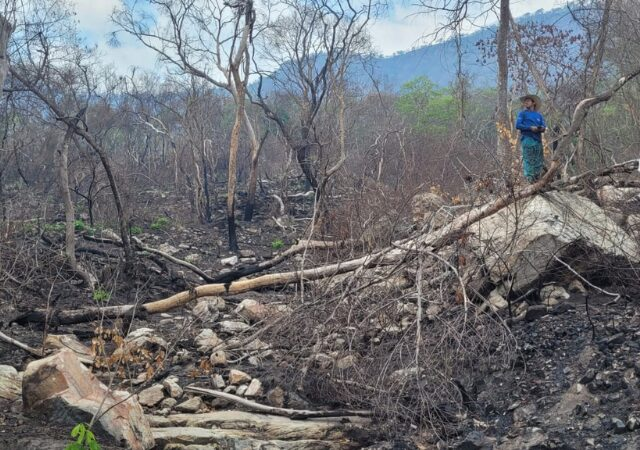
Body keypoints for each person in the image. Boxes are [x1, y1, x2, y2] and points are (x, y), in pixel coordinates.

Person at [515, 94, 546, 183]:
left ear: (533, 103)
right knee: (528, 160)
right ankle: (530, 181)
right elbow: (518, 125)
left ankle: (537, 180)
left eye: (528, 101)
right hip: (527, 139)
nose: (526, 102)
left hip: (538, 140)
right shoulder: (522, 114)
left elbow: (544, 127)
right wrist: (530, 128)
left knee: (538, 160)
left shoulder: (539, 115)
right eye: (525, 101)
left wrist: (541, 128)